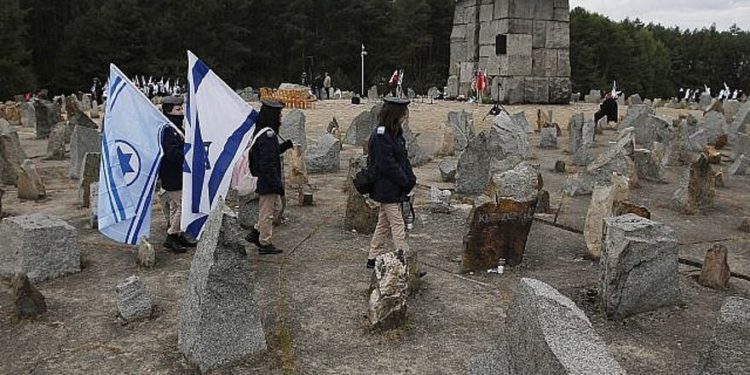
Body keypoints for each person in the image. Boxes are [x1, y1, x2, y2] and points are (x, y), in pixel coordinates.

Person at [365, 97, 417, 269]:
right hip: (386, 187)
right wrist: (404, 180)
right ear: (395, 115)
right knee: (397, 224)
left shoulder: (394, 133)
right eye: (403, 114)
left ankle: (372, 257)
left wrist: (410, 179)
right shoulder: (381, 135)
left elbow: (402, 158)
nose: (405, 117)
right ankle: (405, 261)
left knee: (383, 224)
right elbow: (387, 164)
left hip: (393, 187)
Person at [245, 100, 294, 255]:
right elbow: (267, 163)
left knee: (276, 208)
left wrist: (284, 147)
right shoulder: (267, 135)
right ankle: (264, 242)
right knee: (267, 213)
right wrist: (276, 184)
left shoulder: (265, 132)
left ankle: (256, 232)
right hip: (267, 181)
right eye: (278, 114)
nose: (280, 117)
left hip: (267, 179)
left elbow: (270, 154)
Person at [158, 95, 196, 253]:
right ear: (169, 111)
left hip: (180, 174)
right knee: (183, 206)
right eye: (178, 109)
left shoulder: (177, 128)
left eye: (181, 108)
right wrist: (188, 152)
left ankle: (179, 234)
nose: (181, 112)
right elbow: (171, 154)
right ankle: (171, 236)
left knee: (175, 207)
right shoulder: (167, 130)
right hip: (172, 175)